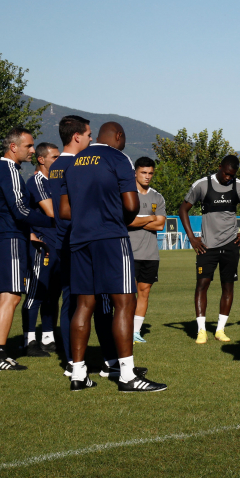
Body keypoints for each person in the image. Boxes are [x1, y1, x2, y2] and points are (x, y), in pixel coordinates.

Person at [60, 121, 165, 392]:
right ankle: (127, 375)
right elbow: (131, 204)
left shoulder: (75, 161)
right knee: (125, 302)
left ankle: (78, 374)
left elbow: (64, 210)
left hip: (79, 238)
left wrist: (89, 213)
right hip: (110, 237)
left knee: (84, 304)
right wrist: (113, 216)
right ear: (118, 136)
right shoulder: (118, 158)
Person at [48, 115, 120, 379]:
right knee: (98, 301)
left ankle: (74, 360)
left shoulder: (55, 166)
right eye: (89, 135)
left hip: (62, 240)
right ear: (77, 136)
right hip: (84, 240)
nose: (92, 139)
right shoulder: (78, 164)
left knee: (72, 301)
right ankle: (107, 360)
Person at [0, 127, 53, 371]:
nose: (32, 150)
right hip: (8, 239)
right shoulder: (9, 170)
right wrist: (54, 221)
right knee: (11, 296)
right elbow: (21, 210)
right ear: (13, 147)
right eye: (28, 146)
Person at [180, 155, 240, 343]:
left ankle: (220, 330)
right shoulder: (202, 185)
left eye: (232, 175)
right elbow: (183, 209)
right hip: (207, 246)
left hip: (231, 245)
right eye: (226, 173)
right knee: (202, 284)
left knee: (228, 286)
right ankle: (201, 331)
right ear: (220, 167)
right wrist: (192, 238)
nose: (228, 177)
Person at [23, 141, 61, 358]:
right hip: (42, 244)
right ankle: (29, 340)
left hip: (58, 244)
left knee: (53, 294)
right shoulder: (37, 181)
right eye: (54, 157)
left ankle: (48, 337)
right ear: (41, 159)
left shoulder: (56, 181)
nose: (58, 161)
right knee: (36, 293)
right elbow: (51, 211)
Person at [128, 157, 166, 343]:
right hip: (128, 252)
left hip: (150, 254)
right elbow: (126, 221)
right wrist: (150, 218)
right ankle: (124, 328)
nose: (147, 176)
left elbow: (160, 225)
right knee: (127, 294)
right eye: (143, 172)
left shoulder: (157, 197)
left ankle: (136, 331)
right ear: (135, 173)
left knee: (144, 291)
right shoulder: (127, 195)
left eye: (150, 173)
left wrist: (138, 220)